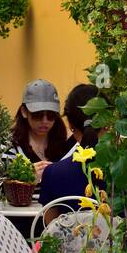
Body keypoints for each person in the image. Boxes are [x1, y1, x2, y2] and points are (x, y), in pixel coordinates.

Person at [37, 83, 99, 224]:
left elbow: (50, 228)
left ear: (70, 125)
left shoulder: (53, 173)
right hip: (119, 245)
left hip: (71, 246)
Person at [2, 79, 69, 185]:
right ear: (24, 112)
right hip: (24, 202)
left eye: (51, 115)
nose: (44, 121)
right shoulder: (10, 144)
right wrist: (26, 179)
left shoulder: (66, 143)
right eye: (38, 115)